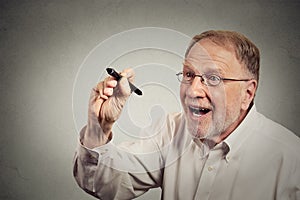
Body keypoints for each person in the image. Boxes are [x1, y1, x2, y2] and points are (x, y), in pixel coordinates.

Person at [73, 30, 300, 200]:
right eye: (189, 74)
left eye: (213, 78)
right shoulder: (171, 130)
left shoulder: (291, 162)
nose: (192, 90)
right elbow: (105, 185)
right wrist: (98, 127)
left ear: (247, 93)